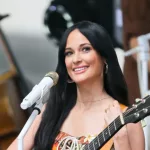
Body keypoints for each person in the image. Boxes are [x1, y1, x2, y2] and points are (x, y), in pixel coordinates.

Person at [7, 21, 145, 150]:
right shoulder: (52, 109)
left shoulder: (126, 118)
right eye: (69, 53)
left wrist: (120, 138)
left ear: (104, 57)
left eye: (85, 49)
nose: (76, 59)